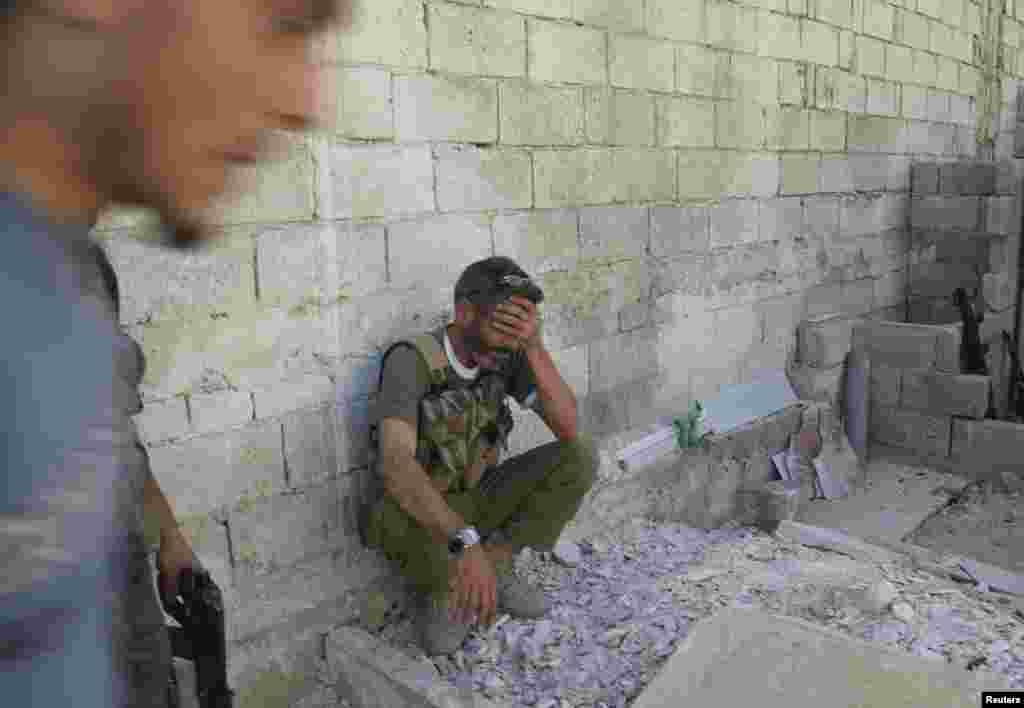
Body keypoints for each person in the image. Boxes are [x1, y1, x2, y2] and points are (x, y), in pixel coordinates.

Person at [0, 1, 350, 705]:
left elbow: (113, 438)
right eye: (286, 21)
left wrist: (167, 536)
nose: (308, 102)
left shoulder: (69, 278)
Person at [363, 256, 599, 655]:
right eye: (499, 324)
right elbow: (396, 465)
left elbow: (569, 429)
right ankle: (451, 584)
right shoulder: (412, 360)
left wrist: (535, 347)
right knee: (440, 642)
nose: (506, 342)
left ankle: (496, 565)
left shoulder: (506, 352)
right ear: (464, 313)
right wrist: (464, 542)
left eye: (517, 325)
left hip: (477, 495)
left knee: (580, 455)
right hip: (421, 511)